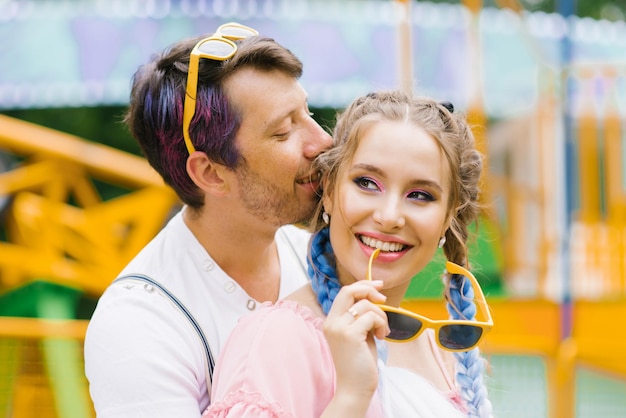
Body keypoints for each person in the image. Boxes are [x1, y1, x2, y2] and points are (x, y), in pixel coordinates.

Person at [84, 22, 332, 417]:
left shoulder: (319, 257)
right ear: (211, 174)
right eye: (284, 131)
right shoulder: (140, 324)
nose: (323, 142)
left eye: (309, 112)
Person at [202, 91, 494, 417]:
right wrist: (352, 396)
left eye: (420, 195)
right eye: (367, 183)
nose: (389, 216)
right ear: (328, 190)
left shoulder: (438, 350)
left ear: (449, 217)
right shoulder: (275, 341)